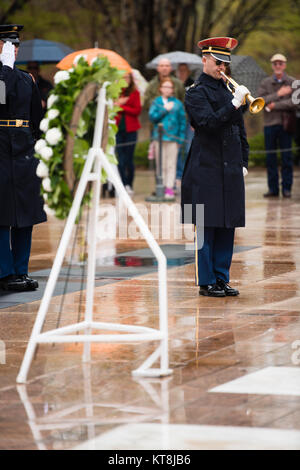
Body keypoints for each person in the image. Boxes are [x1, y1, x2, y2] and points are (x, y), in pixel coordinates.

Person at [181, 37, 249, 297]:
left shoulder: (229, 89)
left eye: (225, 63)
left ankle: (221, 277)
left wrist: (243, 160)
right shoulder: (195, 91)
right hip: (205, 167)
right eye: (217, 62)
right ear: (205, 60)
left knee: (226, 224)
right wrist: (233, 104)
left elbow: (238, 129)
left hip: (229, 166)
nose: (222, 67)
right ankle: (206, 280)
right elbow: (208, 123)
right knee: (206, 225)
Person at [0, 24, 46, 292]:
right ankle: (4, 272)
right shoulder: (3, 76)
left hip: (23, 150)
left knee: (25, 214)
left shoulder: (27, 79)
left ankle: (20, 270)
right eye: (7, 45)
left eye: (15, 46)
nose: (13, 50)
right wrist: (4, 69)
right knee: (3, 215)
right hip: (1, 150)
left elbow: (35, 119)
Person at [257, 53, 296, 198]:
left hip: (286, 126)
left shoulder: (293, 82)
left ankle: (287, 189)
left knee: (287, 158)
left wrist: (275, 105)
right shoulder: (265, 82)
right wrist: (278, 94)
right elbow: (260, 101)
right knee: (270, 158)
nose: (278, 66)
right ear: (272, 66)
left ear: (284, 65)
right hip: (269, 125)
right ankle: (273, 189)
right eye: (275, 64)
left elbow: (295, 102)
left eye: (280, 63)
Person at [149, 77, 186, 199]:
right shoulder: (156, 102)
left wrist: (180, 138)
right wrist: (164, 110)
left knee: (171, 163)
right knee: (161, 163)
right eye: (165, 86)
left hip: (173, 138)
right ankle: (162, 186)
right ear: (160, 88)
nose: (167, 89)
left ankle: (170, 187)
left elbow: (182, 122)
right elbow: (152, 117)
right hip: (159, 137)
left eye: (169, 87)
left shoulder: (178, 103)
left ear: (173, 89)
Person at [115, 71, 141, 195]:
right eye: (123, 77)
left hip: (131, 130)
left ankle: (129, 184)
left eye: (127, 77)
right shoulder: (115, 93)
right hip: (117, 130)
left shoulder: (135, 93)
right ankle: (123, 184)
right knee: (120, 159)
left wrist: (122, 105)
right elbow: (112, 108)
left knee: (129, 159)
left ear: (131, 79)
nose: (125, 79)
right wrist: (119, 103)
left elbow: (137, 110)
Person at [175, 63, 195, 186]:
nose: (182, 73)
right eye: (180, 70)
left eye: (184, 70)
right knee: (177, 148)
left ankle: (188, 173)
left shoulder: (193, 84)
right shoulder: (175, 84)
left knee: (188, 148)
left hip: (189, 120)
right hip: (177, 120)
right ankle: (178, 174)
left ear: (188, 72)